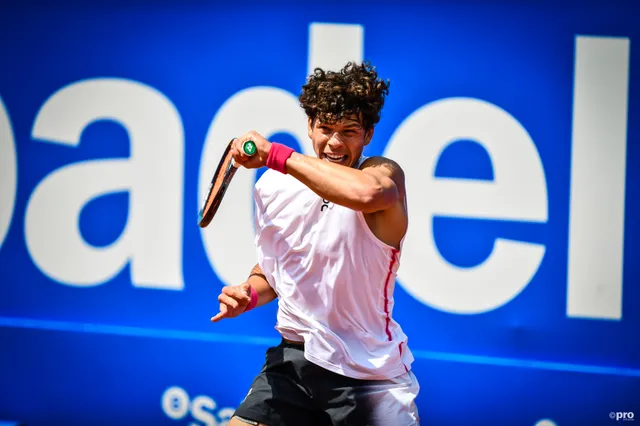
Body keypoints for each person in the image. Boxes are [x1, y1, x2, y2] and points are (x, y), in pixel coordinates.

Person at [211, 61, 420, 426]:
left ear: (368, 133)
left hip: (367, 378)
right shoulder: (274, 188)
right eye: (325, 128)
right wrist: (250, 293)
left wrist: (277, 156)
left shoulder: (383, 176)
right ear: (309, 126)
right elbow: (275, 272)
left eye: (349, 131)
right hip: (293, 363)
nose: (335, 142)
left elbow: (367, 193)